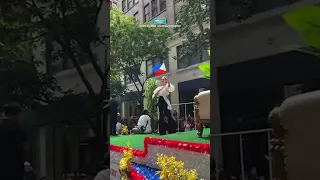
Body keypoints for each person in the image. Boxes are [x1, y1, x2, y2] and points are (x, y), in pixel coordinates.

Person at [0, 102, 27, 180]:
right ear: (15, 115)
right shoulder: (18, 129)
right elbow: (25, 147)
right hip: (16, 170)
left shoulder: (1, 128)